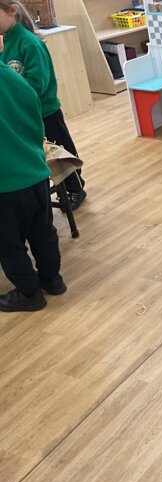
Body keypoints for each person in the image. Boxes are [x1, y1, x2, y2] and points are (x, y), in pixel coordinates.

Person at [0, 0, 87, 210]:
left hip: (45, 112)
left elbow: (38, 84)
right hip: (20, 114)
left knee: (61, 153)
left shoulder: (29, 43)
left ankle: (75, 188)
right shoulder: (5, 42)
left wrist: (14, 95)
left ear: (12, 11)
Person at [0, 48, 67, 312]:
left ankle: (29, 294)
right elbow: (36, 124)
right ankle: (53, 280)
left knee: (9, 245)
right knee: (43, 233)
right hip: (36, 173)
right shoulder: (17, 79)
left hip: (5, 183)